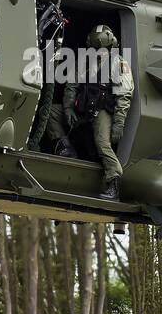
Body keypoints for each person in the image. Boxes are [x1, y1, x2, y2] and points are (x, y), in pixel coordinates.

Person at [45, 25, 133, 200]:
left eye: (101, 50)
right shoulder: (84, 61)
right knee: (50, 112)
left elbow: (124, 96)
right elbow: (71, 86)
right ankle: (65, 148)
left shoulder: (119, 64)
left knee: (103, 144)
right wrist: (69, 108)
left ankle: (113, 181)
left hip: (102, 111)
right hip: (82, 109)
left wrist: (118, 124)